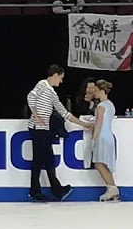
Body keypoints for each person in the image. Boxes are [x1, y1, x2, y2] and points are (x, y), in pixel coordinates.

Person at [27, 64, 89, 201]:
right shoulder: (42, 84)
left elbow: (64, 113)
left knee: (48, 159)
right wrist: (36, 115)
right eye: (60, 78)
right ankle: (35, 191)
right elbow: (30, 97)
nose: (61, 82)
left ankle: (57, 189)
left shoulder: (52, 93)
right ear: (55, 75)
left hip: (44, 129)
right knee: (39, 160)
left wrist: (83, 124)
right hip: (37, 129)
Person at [88, 79, 120, 202]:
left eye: (96, 90)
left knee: (98, 163)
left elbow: (99, 124)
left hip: (102, 136)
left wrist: (93, 139)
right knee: (104, 164)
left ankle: (112, 188)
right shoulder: (110, 104)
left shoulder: (101, 106)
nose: (94, 93)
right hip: (109, 136)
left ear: (101, 91)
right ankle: (112, 189)